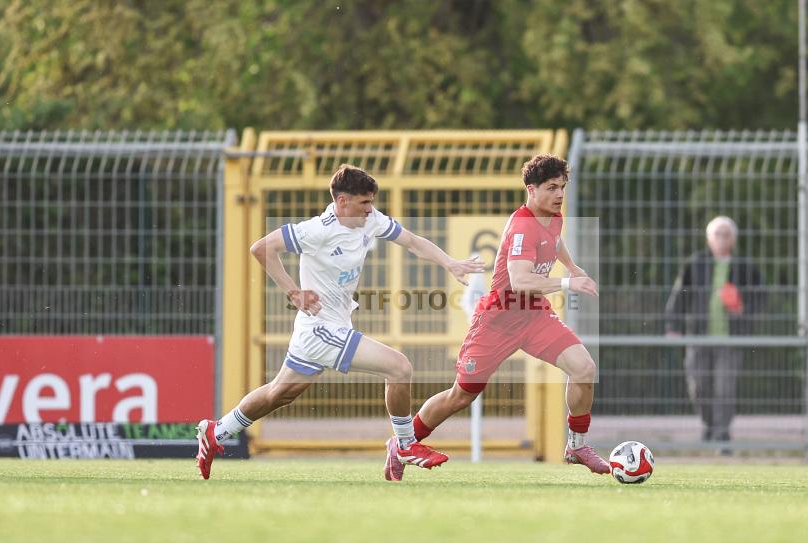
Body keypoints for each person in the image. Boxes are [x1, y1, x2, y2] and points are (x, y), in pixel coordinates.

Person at [196, 164, 485, 479]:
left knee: (279, 393)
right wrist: (294, 292)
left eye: (372, 202)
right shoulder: (317, 230)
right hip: (322, 330)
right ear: (342, 201)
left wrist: (449, 262)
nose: (370, 209)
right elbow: (261, 248)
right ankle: (403, 444)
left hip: (323, 328)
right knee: (399, 367)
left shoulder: (369, 221)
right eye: (364, 203)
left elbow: (413, 242)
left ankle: (216, 431)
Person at [384, 153, 609, 482]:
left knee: (584, 367)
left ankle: (576, 445)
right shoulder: (522, 227)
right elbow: (520, 281)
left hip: (534, 317)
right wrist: (567, 282)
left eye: (562, 187)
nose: (560, 194)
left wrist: (573, 267)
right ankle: (402, 442)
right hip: (498, 321)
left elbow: (556, 241)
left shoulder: (552, 214)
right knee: (461, 395)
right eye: (551, 188)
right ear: (531, 190)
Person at [665, 216, 765, 449]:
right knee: (699, 386)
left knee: (724, 386)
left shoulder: (744, 268)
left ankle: (722, 434)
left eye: (726, 234)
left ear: (733, 239)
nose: (721, 239)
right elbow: (678, 296)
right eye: (717, 234)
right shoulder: (695, 263)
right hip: (698, 336)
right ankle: (709, 425)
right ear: (709, 239)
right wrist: (673, 326)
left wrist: (743, 309)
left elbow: (761, 298)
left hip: (730, 338)